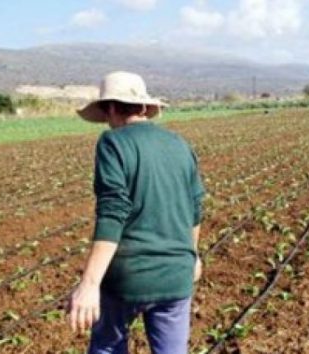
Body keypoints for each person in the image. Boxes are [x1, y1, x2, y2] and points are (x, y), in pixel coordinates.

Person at [68, 71, 206, 354]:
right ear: (144, 107)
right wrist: (192, 254)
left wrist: (89, 283)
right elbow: (195, 207)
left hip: (129, 276)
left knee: (107, 346)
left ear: (110, 109)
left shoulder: (113, 143)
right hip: (177, 273)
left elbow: (113, 211)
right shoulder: (180, 144)